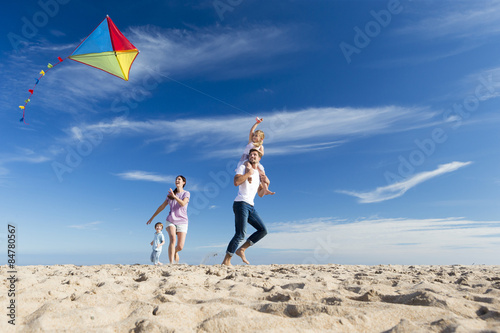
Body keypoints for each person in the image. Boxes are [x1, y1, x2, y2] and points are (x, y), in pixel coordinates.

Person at [222, 148, 269, 266]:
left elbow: (260, 194)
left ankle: (241, 249)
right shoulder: (243, 167)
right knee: (240, 233)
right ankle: (226, 261)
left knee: (263, 230)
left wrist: (266, 186)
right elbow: (236, 181)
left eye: (255, 155)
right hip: (241, 203)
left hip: (251, 206)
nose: (252, 156)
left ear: (259, 158)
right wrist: (248, 173)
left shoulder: (258, 174)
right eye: (251, 155)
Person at [147, 175, 190, 264]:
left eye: (179, 179)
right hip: (171, 220)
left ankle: (175, 251)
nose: (177, 180)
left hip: (183, 221)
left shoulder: (186, 193)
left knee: (180, 246)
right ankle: (171, 263)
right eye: (176, 179)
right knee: (173, 239)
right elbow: (162, 207)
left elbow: (183, 203)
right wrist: (152, 217)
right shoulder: (170, 196)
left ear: (183, 182)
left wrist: (175, 197)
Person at [238, 118, 275, 195]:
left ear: (261, 138)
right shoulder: (250, 142)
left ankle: (265, 189)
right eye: (254, 135)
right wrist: (257, 123)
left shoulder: (260, 146)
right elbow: (251, 130)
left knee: (262, 173)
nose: (254, 137)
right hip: (247, 159)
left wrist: (258, 151)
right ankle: (248, 176)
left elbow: (262, 153)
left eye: (256, 136)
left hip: (255, 161)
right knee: (248, 165)